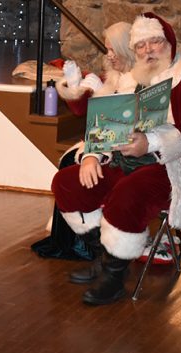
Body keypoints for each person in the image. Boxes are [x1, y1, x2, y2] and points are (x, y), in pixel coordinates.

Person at [50, 12, 181, 305]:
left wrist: (152, 141)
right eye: (141, 45)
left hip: (174, 168)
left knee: (129, 192)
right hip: (125, 163)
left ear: (169, 42)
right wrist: (91, 156)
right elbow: (106, 122)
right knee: (67, 183)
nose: (148, 50)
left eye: (154, 42)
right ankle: (105, 255)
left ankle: (114, 276)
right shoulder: (130, 79)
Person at [31, 21, 136, 263]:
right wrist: (75, 87)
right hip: (103, 146)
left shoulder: (135, 80)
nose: (108, 55)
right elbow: (84, 112)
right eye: (107, 49)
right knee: (69, 160)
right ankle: (71, 237)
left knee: (71, 168)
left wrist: (102, 95)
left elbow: (118, 122)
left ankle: (87, 242)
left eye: (112, 50)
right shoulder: (114, 75)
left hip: (121, 153)